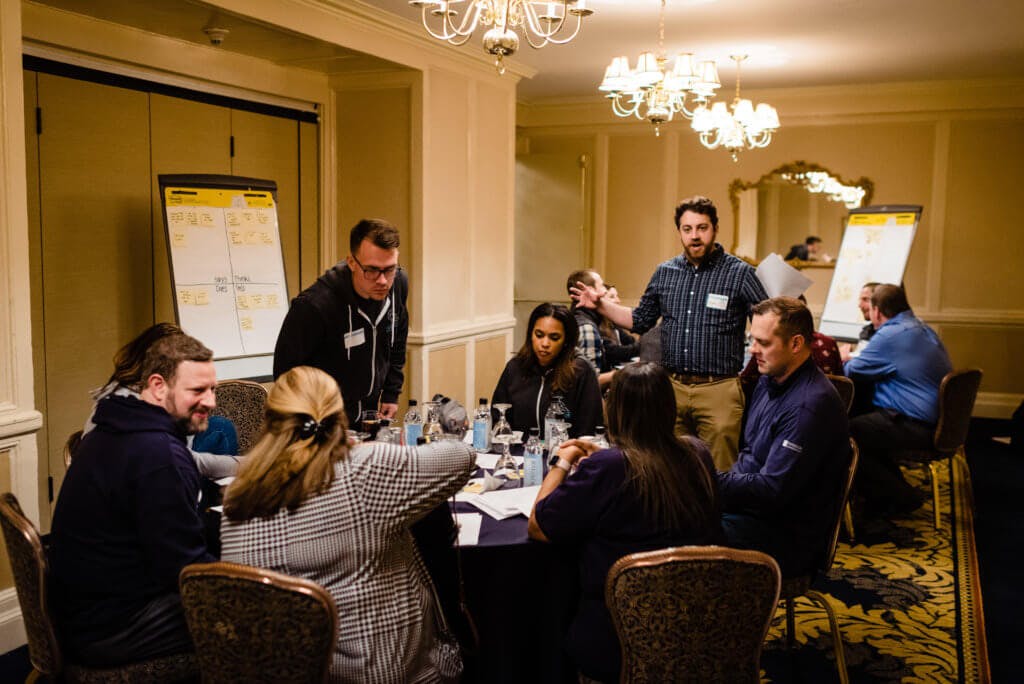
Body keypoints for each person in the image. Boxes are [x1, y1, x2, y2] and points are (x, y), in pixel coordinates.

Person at [220, 366, 475, 682]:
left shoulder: (238, 497)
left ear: (270, 422)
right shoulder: (362, 472)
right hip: (386, 673)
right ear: (339, 415)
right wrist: (366, 449)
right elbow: (461, 458)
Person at [528, 362, 722, 683]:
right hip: (693, 626)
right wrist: (605, 456)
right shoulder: (698, 453)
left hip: (617, 638)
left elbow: (539, 525)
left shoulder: (610, 468)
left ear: (614, 408)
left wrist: (564, 461)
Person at [49, 331, 217, 666]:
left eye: (213, 389)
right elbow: (187, 573)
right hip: (109, 629)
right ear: (158, 387)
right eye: (197, 390)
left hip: (80, 608)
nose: (211, 401)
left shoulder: (112, 425)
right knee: (259, 613)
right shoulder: (159, 457)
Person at [572, 196, 768, 470]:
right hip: (671, 388)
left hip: (718, 390)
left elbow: (765, 323)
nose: (695, 236)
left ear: (715, 229)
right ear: (679, 232)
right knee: (669, 471)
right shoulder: (665, 273)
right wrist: (601, 305)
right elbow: (639, 320)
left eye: (702, 228)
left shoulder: (740, 273)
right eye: (687, 229)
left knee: (718, 473)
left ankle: (716, 515)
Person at [719, 297, 850, 576]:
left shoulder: (808, 405)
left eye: (764, 343)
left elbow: (771, 491)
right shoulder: (769, 380)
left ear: (796, 344)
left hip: (787, 538)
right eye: (752, 340)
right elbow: (750, 457)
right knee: (671, 512)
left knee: (679, 531)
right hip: (754, 514)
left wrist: (710, 480)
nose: (753, 350)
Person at [274, 218, 409, 427]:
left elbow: (398, 338)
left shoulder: (398, 284)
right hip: (325, 420)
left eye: (389, 269)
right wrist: (311, 426)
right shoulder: (314, 306)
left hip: (370, 417)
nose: (382, 281)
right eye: (372, 270)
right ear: (352, 263)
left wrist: (392, 392)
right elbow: (286, 377)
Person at [844, 284, 952, 516]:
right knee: (864, 428)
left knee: (843, 435)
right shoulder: (920, 327)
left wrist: (843, 356)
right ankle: (888, 495)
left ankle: (900, 496)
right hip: (936, 422)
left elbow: (851, 371)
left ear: (878, 311)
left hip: (914, 424)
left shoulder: (891, 334)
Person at [81, 322, 240, 479]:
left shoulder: (138, 389)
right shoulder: (131, 407)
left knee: (219, 427)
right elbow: (178, 457)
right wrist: (248, 466)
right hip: (134, 486)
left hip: (153, 467)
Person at [491, 303, 602, 439]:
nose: (544, 344)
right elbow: (497, 418)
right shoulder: (515, 367)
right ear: (530, 334)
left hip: (564, 456)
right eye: (539, 335)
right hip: (519, 453)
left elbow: (589, 430)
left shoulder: (581, 371)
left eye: (554, 338)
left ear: (566, 340)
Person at [566, 269, 615, 388]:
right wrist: (620, 374)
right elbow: (591, 381)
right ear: (590, 290)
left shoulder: (580, 319)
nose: (605, 290)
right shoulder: (587, 328)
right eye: (602, 285)